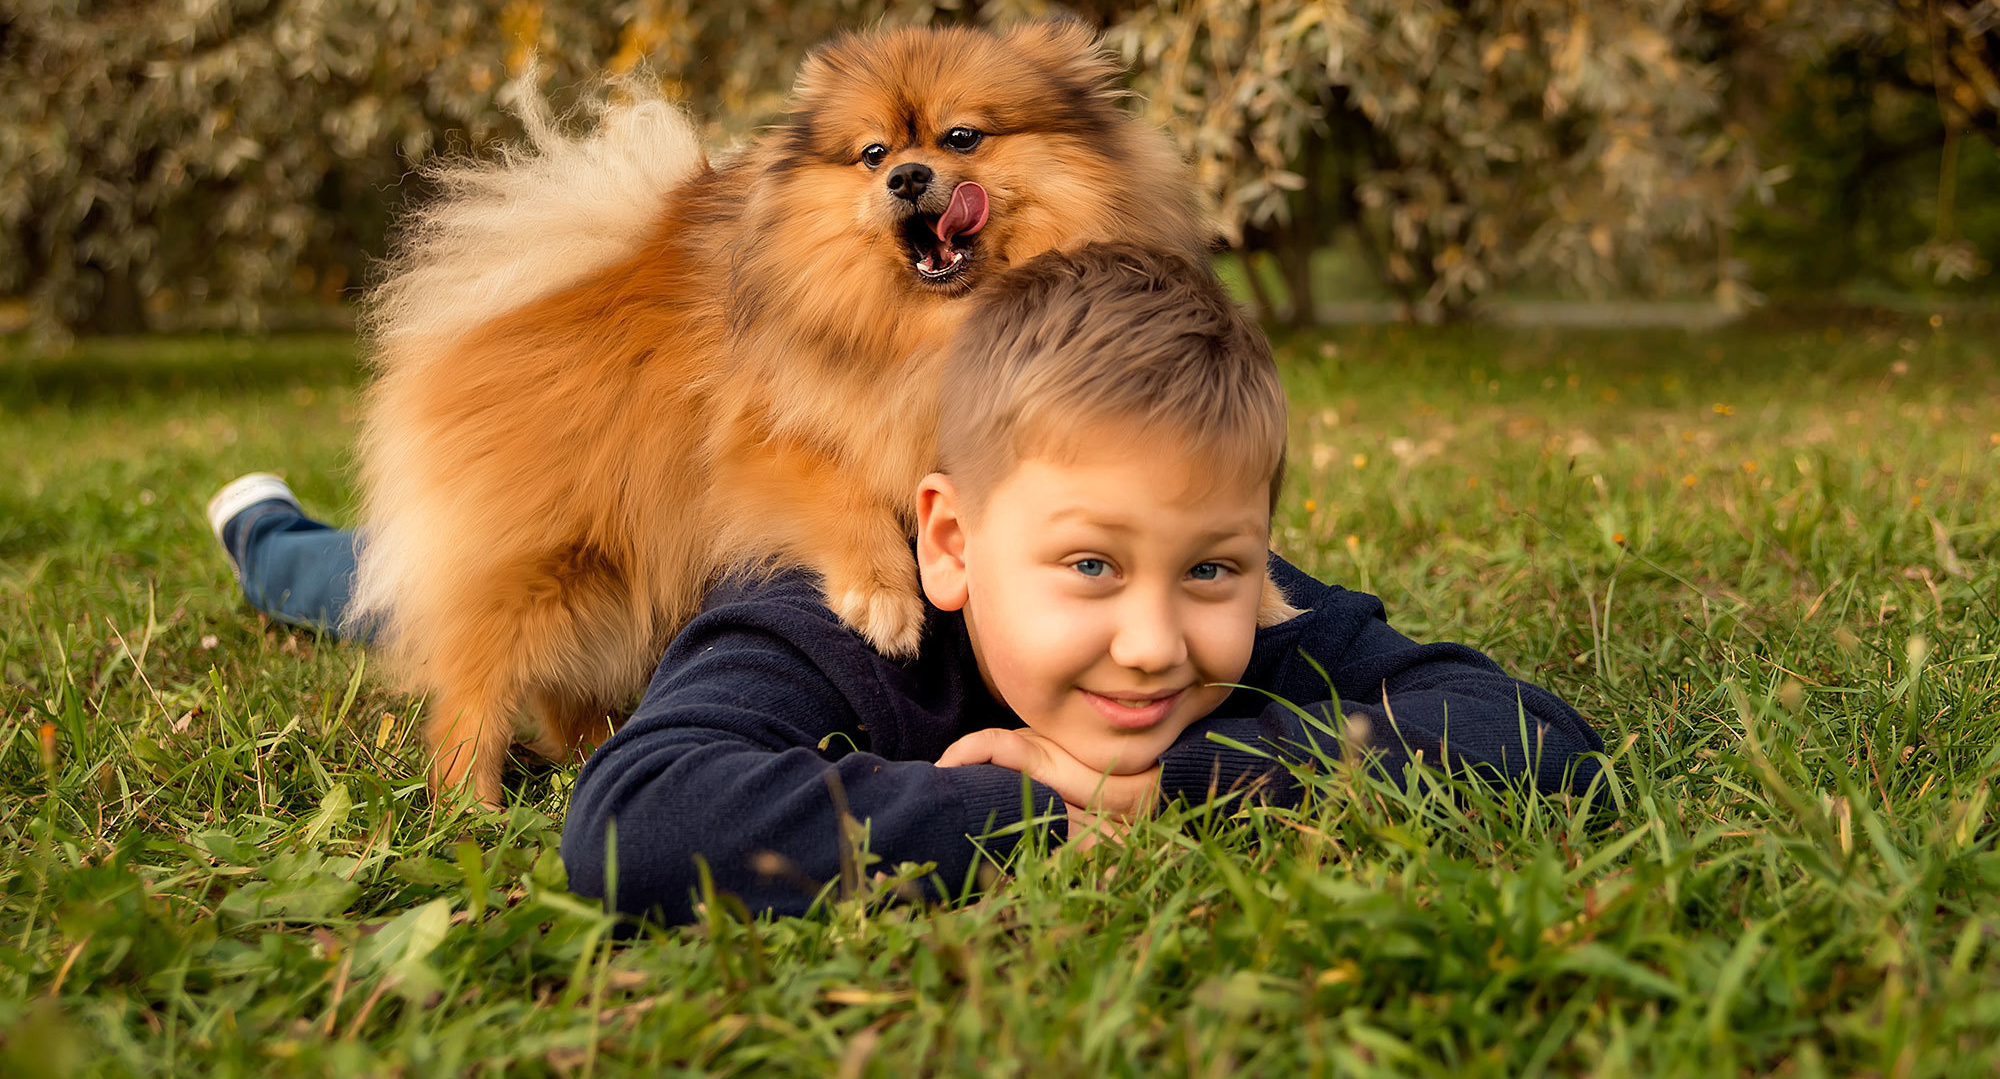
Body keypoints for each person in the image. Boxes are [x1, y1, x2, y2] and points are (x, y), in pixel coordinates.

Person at [206, 244, 1605, 926]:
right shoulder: (817, 630)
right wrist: (1028, 811)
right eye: (1088, 566)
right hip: (648, 587)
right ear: (949, 543)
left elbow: (1531, 737)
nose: (1152, 641)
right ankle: (269, 534)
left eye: (1213, 568)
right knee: (385, 581)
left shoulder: (1221, 596)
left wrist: (1155, 789)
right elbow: (636, 822)